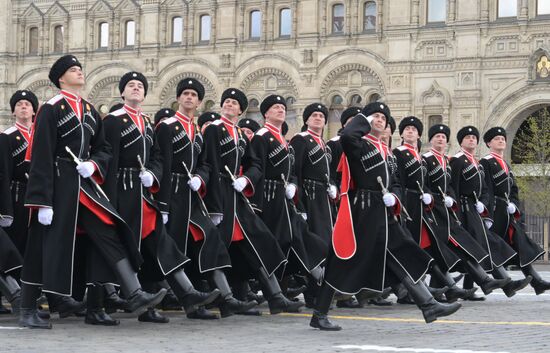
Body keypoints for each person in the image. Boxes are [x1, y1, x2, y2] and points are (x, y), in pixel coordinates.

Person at [20, 55, 167, 329]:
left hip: (84, 185)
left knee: (107, 231)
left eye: (79, 69)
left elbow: (104, 148)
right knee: (41, 245)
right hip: (58, 184)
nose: (79, 72)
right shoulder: (51, 108)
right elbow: (40, 154)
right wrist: (41, 201)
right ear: (61, 78)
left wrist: (94, 163)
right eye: (73, 70)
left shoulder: (88, 110)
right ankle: (27, 307)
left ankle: (131, 293)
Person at [311, 103, 461, 331]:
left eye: (383, 117)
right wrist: (364, 117)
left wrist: (395, 197)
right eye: (375, 116)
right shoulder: (358, 144)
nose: (379, 120)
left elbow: (397, 182)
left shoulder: (387, 151)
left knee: (402, 252)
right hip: (363, 209)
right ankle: (319, 313)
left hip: (383, 210)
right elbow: (348, 134)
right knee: (342, 259)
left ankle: (428, 304)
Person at [102, 73, 221, 324]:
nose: (136, 89)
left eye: (140, 87)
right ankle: (106, 304)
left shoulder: (146, 122)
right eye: (131, 86)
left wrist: (153, 176)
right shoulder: (115, 120)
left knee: (159, 244)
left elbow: (157, 159)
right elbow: (109, 159)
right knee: (131, 247)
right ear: (122, 92)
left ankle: (185, 294)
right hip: (122, 191)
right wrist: (109, 199)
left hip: (143, 193)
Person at [155, 78, 256, 319]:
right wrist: (164, 204)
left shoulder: (197, 132)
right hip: (174, 192)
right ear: (178, 98)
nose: (189, 98)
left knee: (210, 240)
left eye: (194, 95)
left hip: (192, 195)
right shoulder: (167, 126)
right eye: (185, 93)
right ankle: (186, 301)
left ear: (200, 101)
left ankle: (226, 298)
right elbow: (163, 164)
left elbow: (205, 164)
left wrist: (200, 177)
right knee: (175, 247)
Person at [203, 88, 302, 314]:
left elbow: (255, 164)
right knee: (221, 247)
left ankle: (274, 296)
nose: (229, 104)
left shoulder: (238, 134)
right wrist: (214, 205)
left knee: (258, 243)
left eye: (234, 102)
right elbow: (210, 164)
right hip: (220, 195)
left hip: (236, 195)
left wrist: (246, 179)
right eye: (226, 101)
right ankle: (227, 299)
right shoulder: (213, 130)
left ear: (240, 109)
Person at [480, 127, 550, 294]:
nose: (501, 141)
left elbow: (514, 190)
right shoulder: (486, 162)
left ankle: (537, 282)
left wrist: (514, 204)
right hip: (496, 211)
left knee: (519, 245)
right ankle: (499, 284)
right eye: (497, 138)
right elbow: (486, 189)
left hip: (507, 211)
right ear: (489, 143)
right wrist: (487, 215)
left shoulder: (506, 164)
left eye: (503, 138)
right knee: (490, 249)